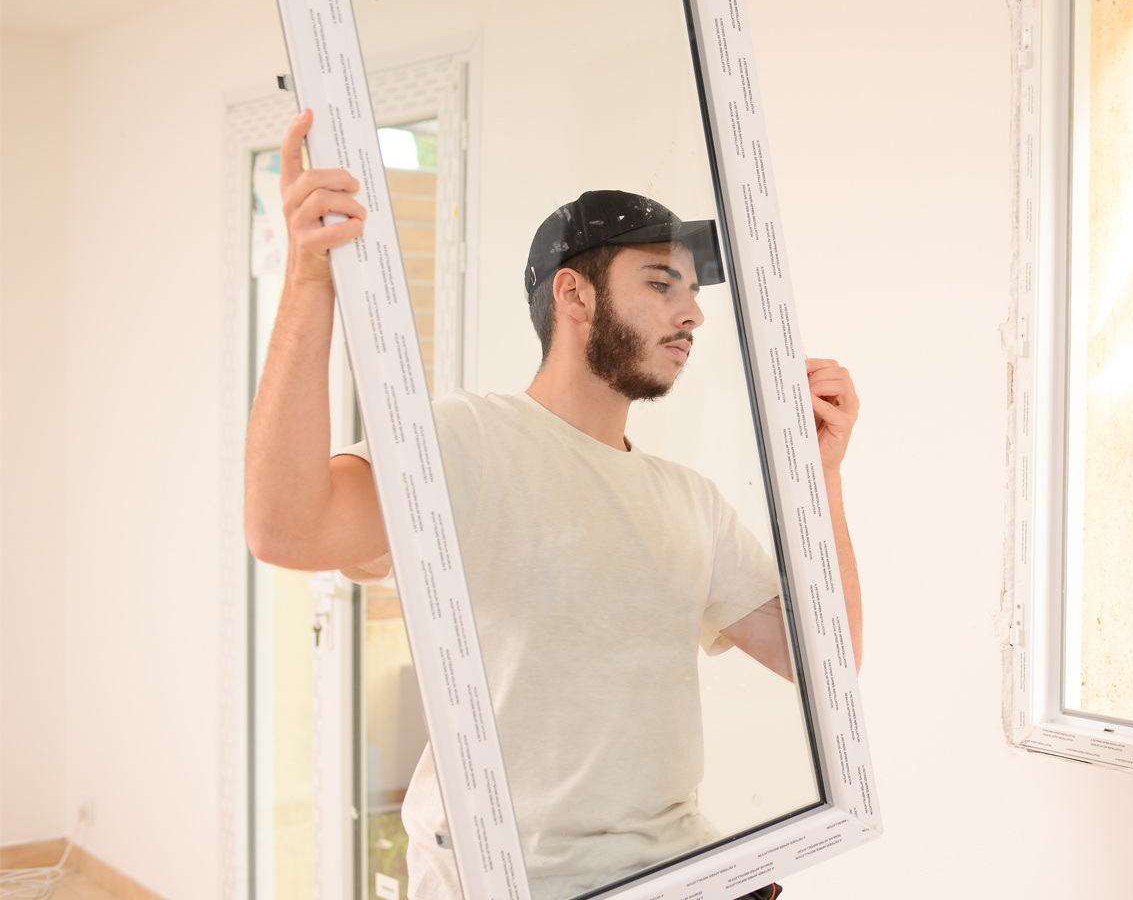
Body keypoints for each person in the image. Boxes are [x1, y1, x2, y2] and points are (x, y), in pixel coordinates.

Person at [245, 109, 861, 900]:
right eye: (661, 283)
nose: (694, 313)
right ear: (575, 294)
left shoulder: (689, 503)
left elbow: (828, 659)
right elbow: (287, 527)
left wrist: (825, 480)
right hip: (508, 881)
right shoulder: (467, 441)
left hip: (680, 875)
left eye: (692, 291)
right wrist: (309, 282)